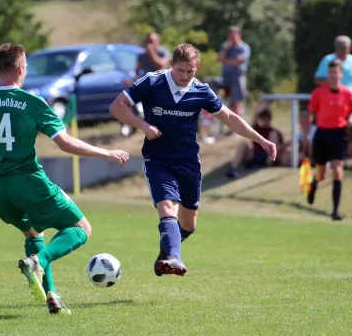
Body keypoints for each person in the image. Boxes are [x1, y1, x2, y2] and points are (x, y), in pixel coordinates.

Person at [0, 43, 130, 315]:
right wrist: (106, 153)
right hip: (28, 180)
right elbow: (66, 144)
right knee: (82, 228)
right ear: (21, 69)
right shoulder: (33, 102)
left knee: (33, 232)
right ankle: (40, 261)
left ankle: (52, 296)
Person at [109, 43, 277, 276]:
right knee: (168, 207)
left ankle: (167, 251)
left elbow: (229, 118)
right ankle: (174, 258)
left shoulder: (201, 90)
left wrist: (261, 140)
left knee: (189, 224)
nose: (186, 76)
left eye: (191, 71)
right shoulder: (152, 81)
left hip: (188, 163)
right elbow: (117, 107)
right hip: (158, 160)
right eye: (181, 71)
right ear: (171, 65)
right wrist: (144, 126)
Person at [307, 59, 352, 221]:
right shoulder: (318, 93)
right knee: (321, 173)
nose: (333, 75)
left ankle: (335, 211)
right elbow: (310, 113)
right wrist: (308, 134)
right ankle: (313, 185)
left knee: (337, 169)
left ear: (341, 74)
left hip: (339, 134)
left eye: (336, 72)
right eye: (330, 73)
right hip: (322, 133)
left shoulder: (348, 93)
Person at [226, 104, 285, 179]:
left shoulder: (275, 132)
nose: (264, 120)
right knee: (242, 144)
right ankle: (232, 167)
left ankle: (269, 162)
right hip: (255, 154)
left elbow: (280, 147)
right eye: (262, 118)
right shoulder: (256, 128)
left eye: (265, 118)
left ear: (269, 118)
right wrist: (259, 110)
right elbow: (253, 120)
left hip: (267, 157)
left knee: (273, 135)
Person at [314, 35, 352, 109]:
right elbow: (317, 80)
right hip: (330, 103)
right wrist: (332, 81)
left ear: (349, 48)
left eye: (344, 48)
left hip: (351, 103)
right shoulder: (327, 60)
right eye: (339, 47)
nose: (341, 50)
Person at [217, 26, 251, 120]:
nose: (231, 38)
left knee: (236, 103)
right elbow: (219, 59)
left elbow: (238, 61)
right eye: (230, 35)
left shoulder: (244, 47)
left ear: (239, 35)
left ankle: (238, 127)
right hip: (225, 77)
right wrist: (226, 49)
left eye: (233, 35)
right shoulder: (225, 46)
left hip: (237, 77)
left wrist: (226, 60)